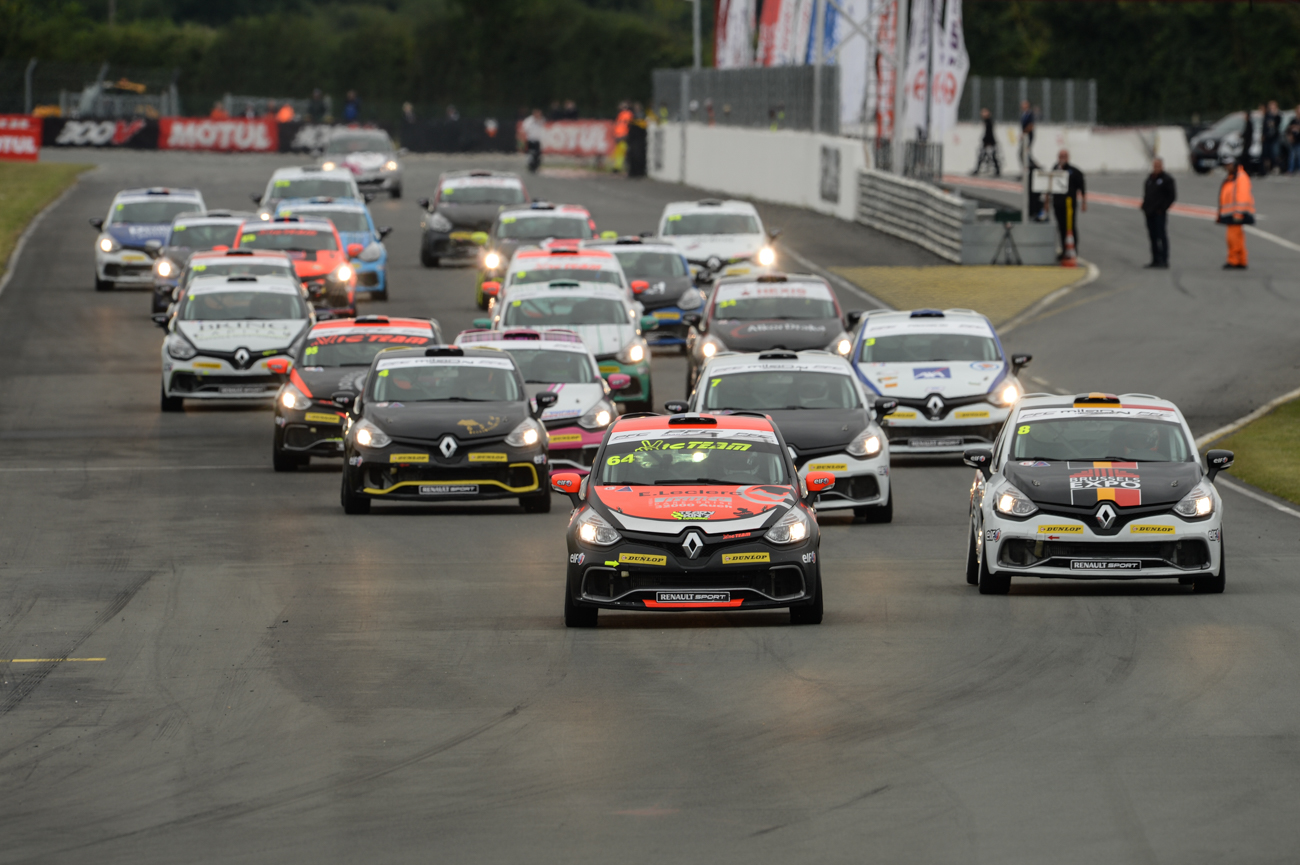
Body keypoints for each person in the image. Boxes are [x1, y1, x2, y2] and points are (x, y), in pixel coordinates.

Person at [1218, 160, 1255, 269]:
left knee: (1233, 238)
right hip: (1232, 213)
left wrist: (1238, 214)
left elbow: (1242, 196)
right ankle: (1241, 260)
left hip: (1235, 214)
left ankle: (1234, 260)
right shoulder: (1233, 176)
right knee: (1237, 238)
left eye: (1228, 165)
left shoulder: (1240, 177)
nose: (1226, 167)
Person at [1140, 157, 1176, 268]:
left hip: (1159, 213)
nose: (1156, 168)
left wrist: (1163, 208)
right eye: (1155, 166)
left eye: (1158, 166)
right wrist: (1144, 207)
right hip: (1149, 212)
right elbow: (1147, 194)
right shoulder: (1150, 179)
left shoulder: (1167, 179)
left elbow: (1172, 196)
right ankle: (1155, 259)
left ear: (1162, 166)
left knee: (1161, 236)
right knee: (1152, 237)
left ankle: (1164, 260)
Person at [1051, 149, 1086, 256]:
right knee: (1061, 227)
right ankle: (1064, 249)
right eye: (1061, 155)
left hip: (1069, 204)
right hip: (1057, 203)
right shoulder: (1054, 170)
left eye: (1064, 156)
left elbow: (1082, 188)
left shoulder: (1075, 172)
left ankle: (1073, 248)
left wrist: (1084, 202)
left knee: (1070, 226)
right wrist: (1046, 203)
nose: (1062, 158)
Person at [973, 107, 1000, 176]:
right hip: (988, 142)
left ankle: (997, 170)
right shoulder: (987, 121)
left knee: (987, 156)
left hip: (989, 142)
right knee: (988, 156)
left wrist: (986, 141)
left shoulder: (989, 122)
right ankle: (997, 170)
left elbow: (989, 133)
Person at [521, 108, 545, 173]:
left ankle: (536, 166)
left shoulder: (541, 120)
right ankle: (530, 166)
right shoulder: (529, 120)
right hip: (531, 139)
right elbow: (525, 128)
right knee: (531, 154)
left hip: (538, 140)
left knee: (538, 155)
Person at [1018, 99, 1035, 175]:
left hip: (1028, 137)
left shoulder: (1030, 114)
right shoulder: (1024, 114)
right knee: (1024, 154)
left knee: (1024, 153)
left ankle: (1029, 169)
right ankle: (1026, 169)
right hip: (1025, 137)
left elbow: (1031, 125)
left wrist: (1024, 133)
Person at [1286, 107, 1300, 175]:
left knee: (1299, 156)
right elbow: (1288, 129)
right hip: (1294, 141)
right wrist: (1290, 136)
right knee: (1292, 156)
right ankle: (1291, 169)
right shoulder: (1293, 120)